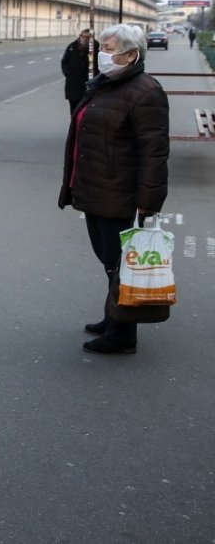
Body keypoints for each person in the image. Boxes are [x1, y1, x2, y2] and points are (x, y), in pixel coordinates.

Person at [58, 23, 169, 355]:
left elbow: (154, 151)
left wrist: (149, 201)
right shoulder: (107, 84)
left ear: (131, 54)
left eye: (108, 49)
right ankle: (114, 316)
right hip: (96, 189)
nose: (102, 55)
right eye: (102, 48)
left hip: (119, 194)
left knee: (119, 263)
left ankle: (123, 334)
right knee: (109, 259)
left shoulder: (145, 90)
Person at [60, 28, 99, 115]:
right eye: (83, 36)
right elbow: (64, 61)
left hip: (88, 84)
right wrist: (68, 74)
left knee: (86, 111)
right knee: (74, 110)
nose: (84, 39)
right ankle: (74, 127)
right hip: (73, 85)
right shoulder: (72, 47)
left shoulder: (95, 48)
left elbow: (98, 65)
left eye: (87, 37)